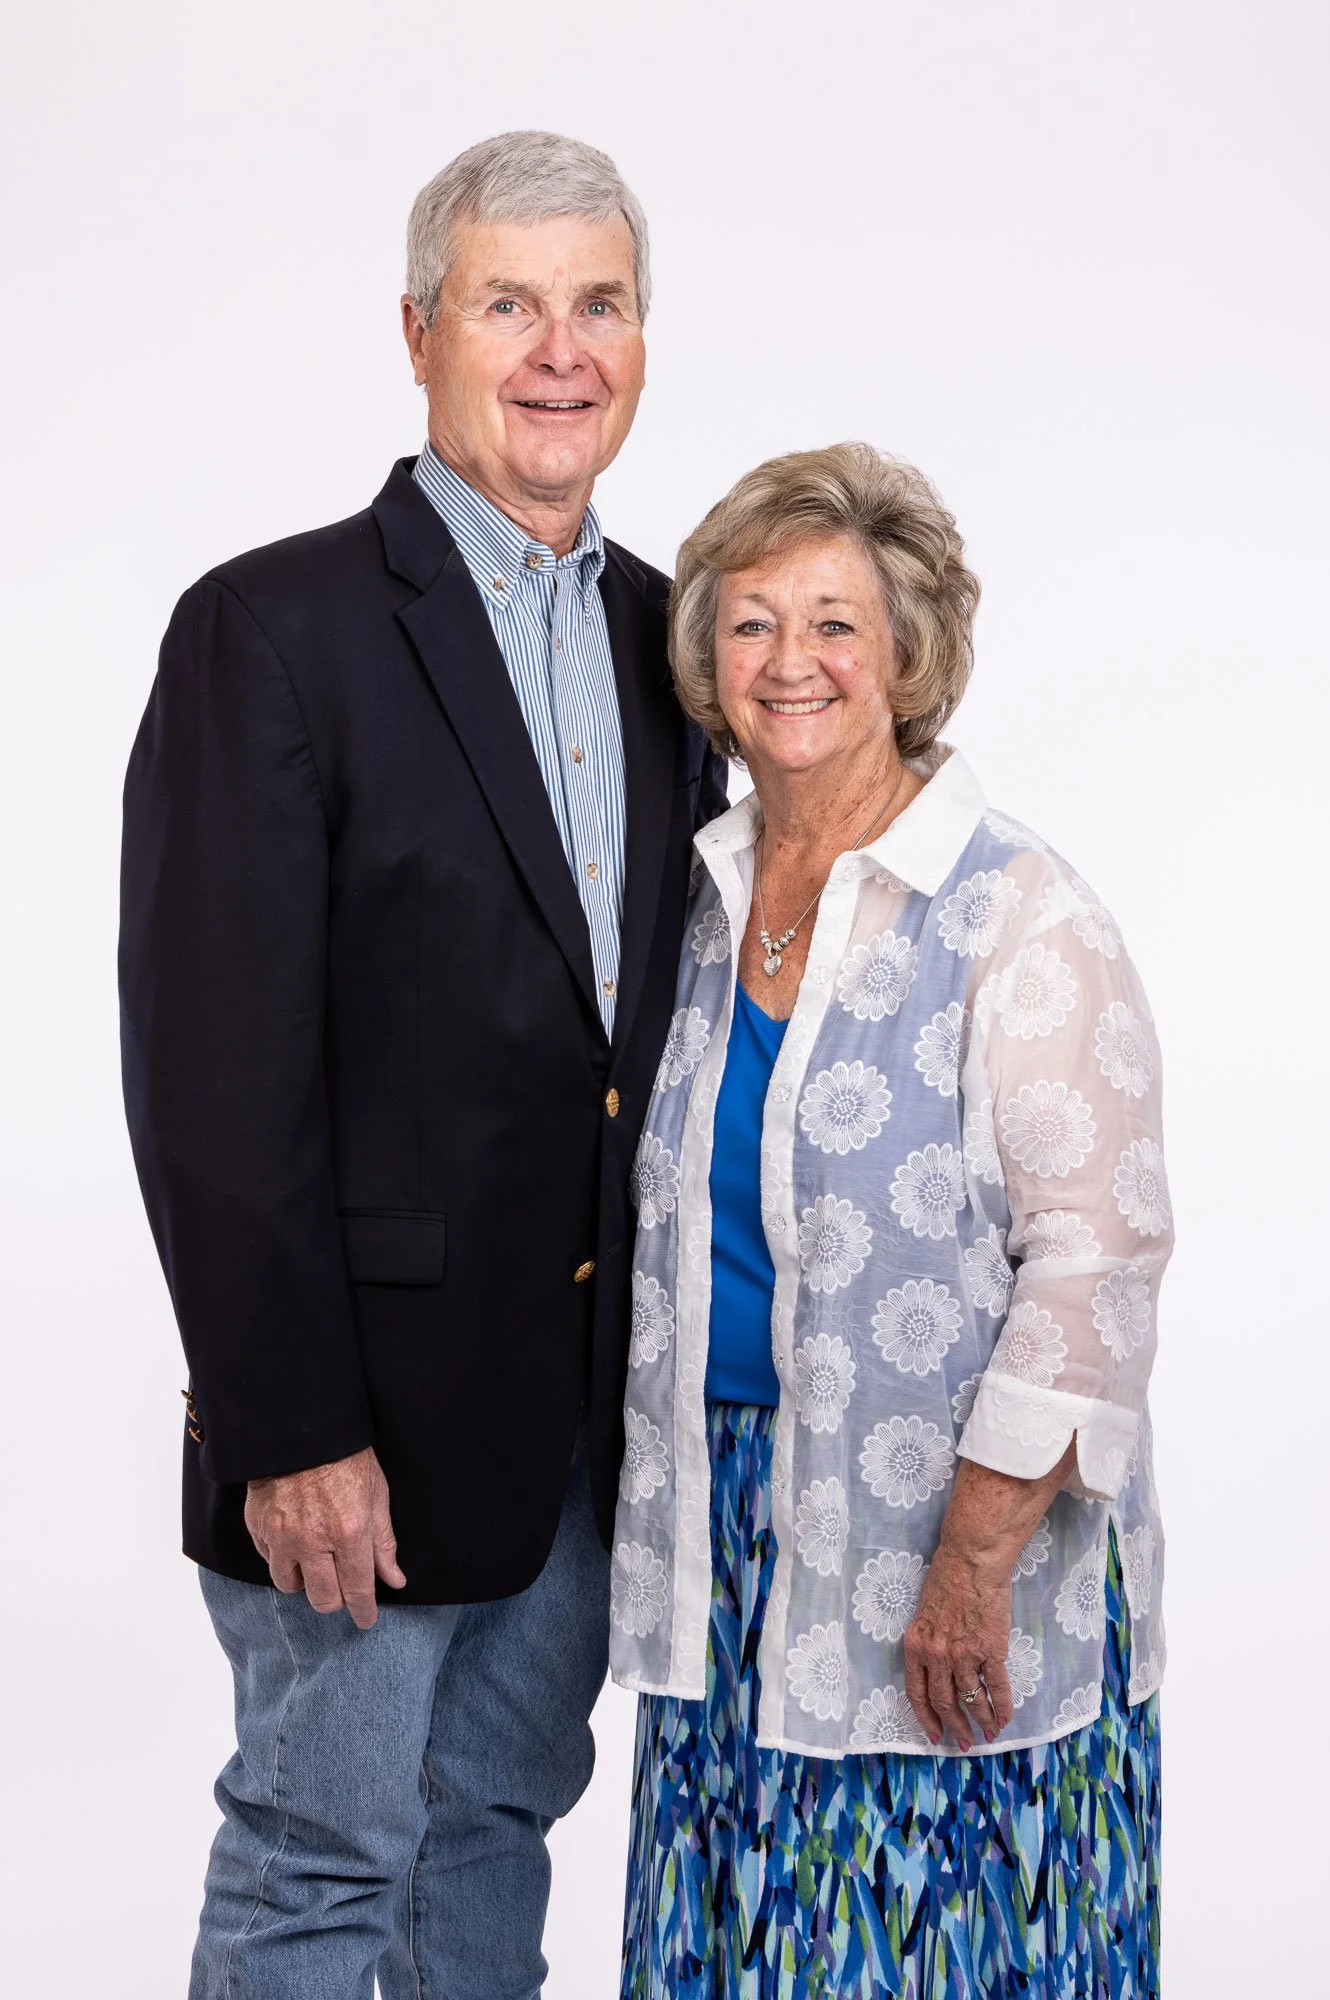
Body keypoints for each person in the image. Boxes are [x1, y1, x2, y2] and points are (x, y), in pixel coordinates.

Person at [119, 129, 726, 1999]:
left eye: (599, 304)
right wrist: (288, 1424)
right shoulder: (271, 630)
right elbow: (211, 1074)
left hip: (580, 1418)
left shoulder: (674, 639)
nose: (560, 351)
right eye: (507, 304)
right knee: (322, 1857)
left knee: (490, 1832)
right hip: (356, 1422)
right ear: (417, 333)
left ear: (643, 338)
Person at [610, 443, 1169, 1998]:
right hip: (729, 1536)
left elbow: (1096, 1257)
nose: (788, 660)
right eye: (750, 622)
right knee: (737, 1946)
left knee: (950, 1943)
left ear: (908, 653)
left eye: (834, 623)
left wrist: (971, 1563)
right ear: (705, 659)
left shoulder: (1017, 912)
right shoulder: (693, 904)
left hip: (952, 1530)